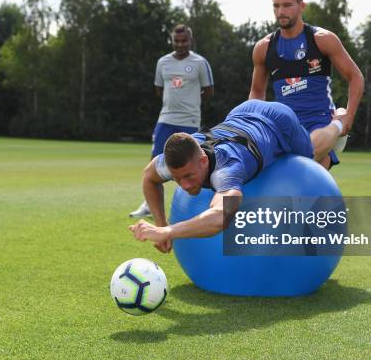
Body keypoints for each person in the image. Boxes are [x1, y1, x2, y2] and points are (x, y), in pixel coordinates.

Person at [128, 99, 316, 252]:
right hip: (241, 111)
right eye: (177, 179)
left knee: (313, 164)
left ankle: (338, 125)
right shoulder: (179, 161)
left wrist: (168, 232)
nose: (184, 186)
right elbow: (149, 177)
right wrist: (160, 223)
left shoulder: (227, 169)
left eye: (188, 176)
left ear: (203, 160)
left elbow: (221, 217)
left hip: (279, 120)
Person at [249, 0, 364, 169]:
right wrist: (255, 126)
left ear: (302, 6)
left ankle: (337, 125)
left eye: (287, 5)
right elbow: (256, 93)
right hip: (284, 124)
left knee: (308, 157)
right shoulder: (264, 48)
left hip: (318, 122)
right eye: (276, 6)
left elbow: (356, 77)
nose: (281, 12)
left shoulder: (323, 40)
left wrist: (349, 116)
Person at [129, 24, 214, 218]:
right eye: (176, 41)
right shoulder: (162, 62)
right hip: (166, 118)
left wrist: (189, 101)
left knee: (191, 161)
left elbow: (209, 90)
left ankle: (194, 205)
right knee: (155, 160)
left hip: (190, 119)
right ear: (172, 41)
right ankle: (148, 205)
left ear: (190, 41)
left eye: (184, 41)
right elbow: (159, 89)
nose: (180, 44)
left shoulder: (200, 63)